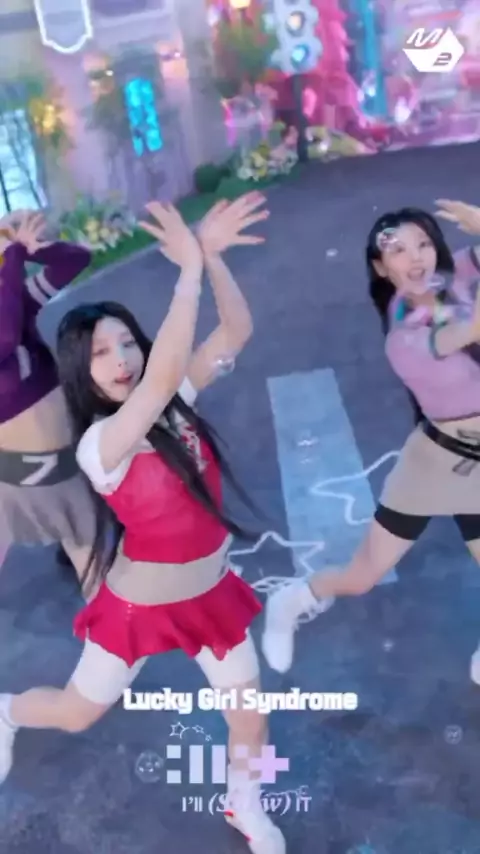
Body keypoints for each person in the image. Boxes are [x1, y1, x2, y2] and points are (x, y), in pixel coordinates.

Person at [0, 194, 287, 854]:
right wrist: (186, 273)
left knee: (250, 718)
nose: (121, 358)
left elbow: (235, 331)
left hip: (212, 593)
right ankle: (7, 711)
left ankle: (244, 803)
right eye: (102, 352)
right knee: (77, 712)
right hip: (138, 608)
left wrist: (212, 260)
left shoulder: (172, 400)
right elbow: (156, 385)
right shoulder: (100, 445)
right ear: (81, 372)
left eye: (128, 341)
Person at [262, 201, 480, 683]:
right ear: (381, 268)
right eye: (398, 250)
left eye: (423, 242)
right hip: (437, 463)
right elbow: (459, 335)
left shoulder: (462, 274)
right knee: (362, 575)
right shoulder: (402, 339)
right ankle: (292, 599)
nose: (416, 256)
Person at [0, 210, 93, 580]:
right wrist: (12, 259)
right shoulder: (8, 299)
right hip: (17, 457)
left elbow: (76, 260)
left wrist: (35, 249)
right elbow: (4, 338)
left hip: (60, 432)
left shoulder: (13, 298)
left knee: (80, 510)